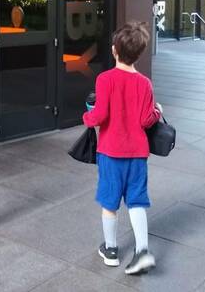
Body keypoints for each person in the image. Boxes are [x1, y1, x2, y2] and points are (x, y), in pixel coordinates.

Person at [83, 21, 161, 275]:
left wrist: (87, 118)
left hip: (110, 152)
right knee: (137, 200)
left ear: (114, 50)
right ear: (139, 53)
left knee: (109, 201)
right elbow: (146, 120)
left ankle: (111, 250)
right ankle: (142, 251)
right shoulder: (145, 83)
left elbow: (99, 115)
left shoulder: (105, 79)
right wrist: (157, 111)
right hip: (137, 154)